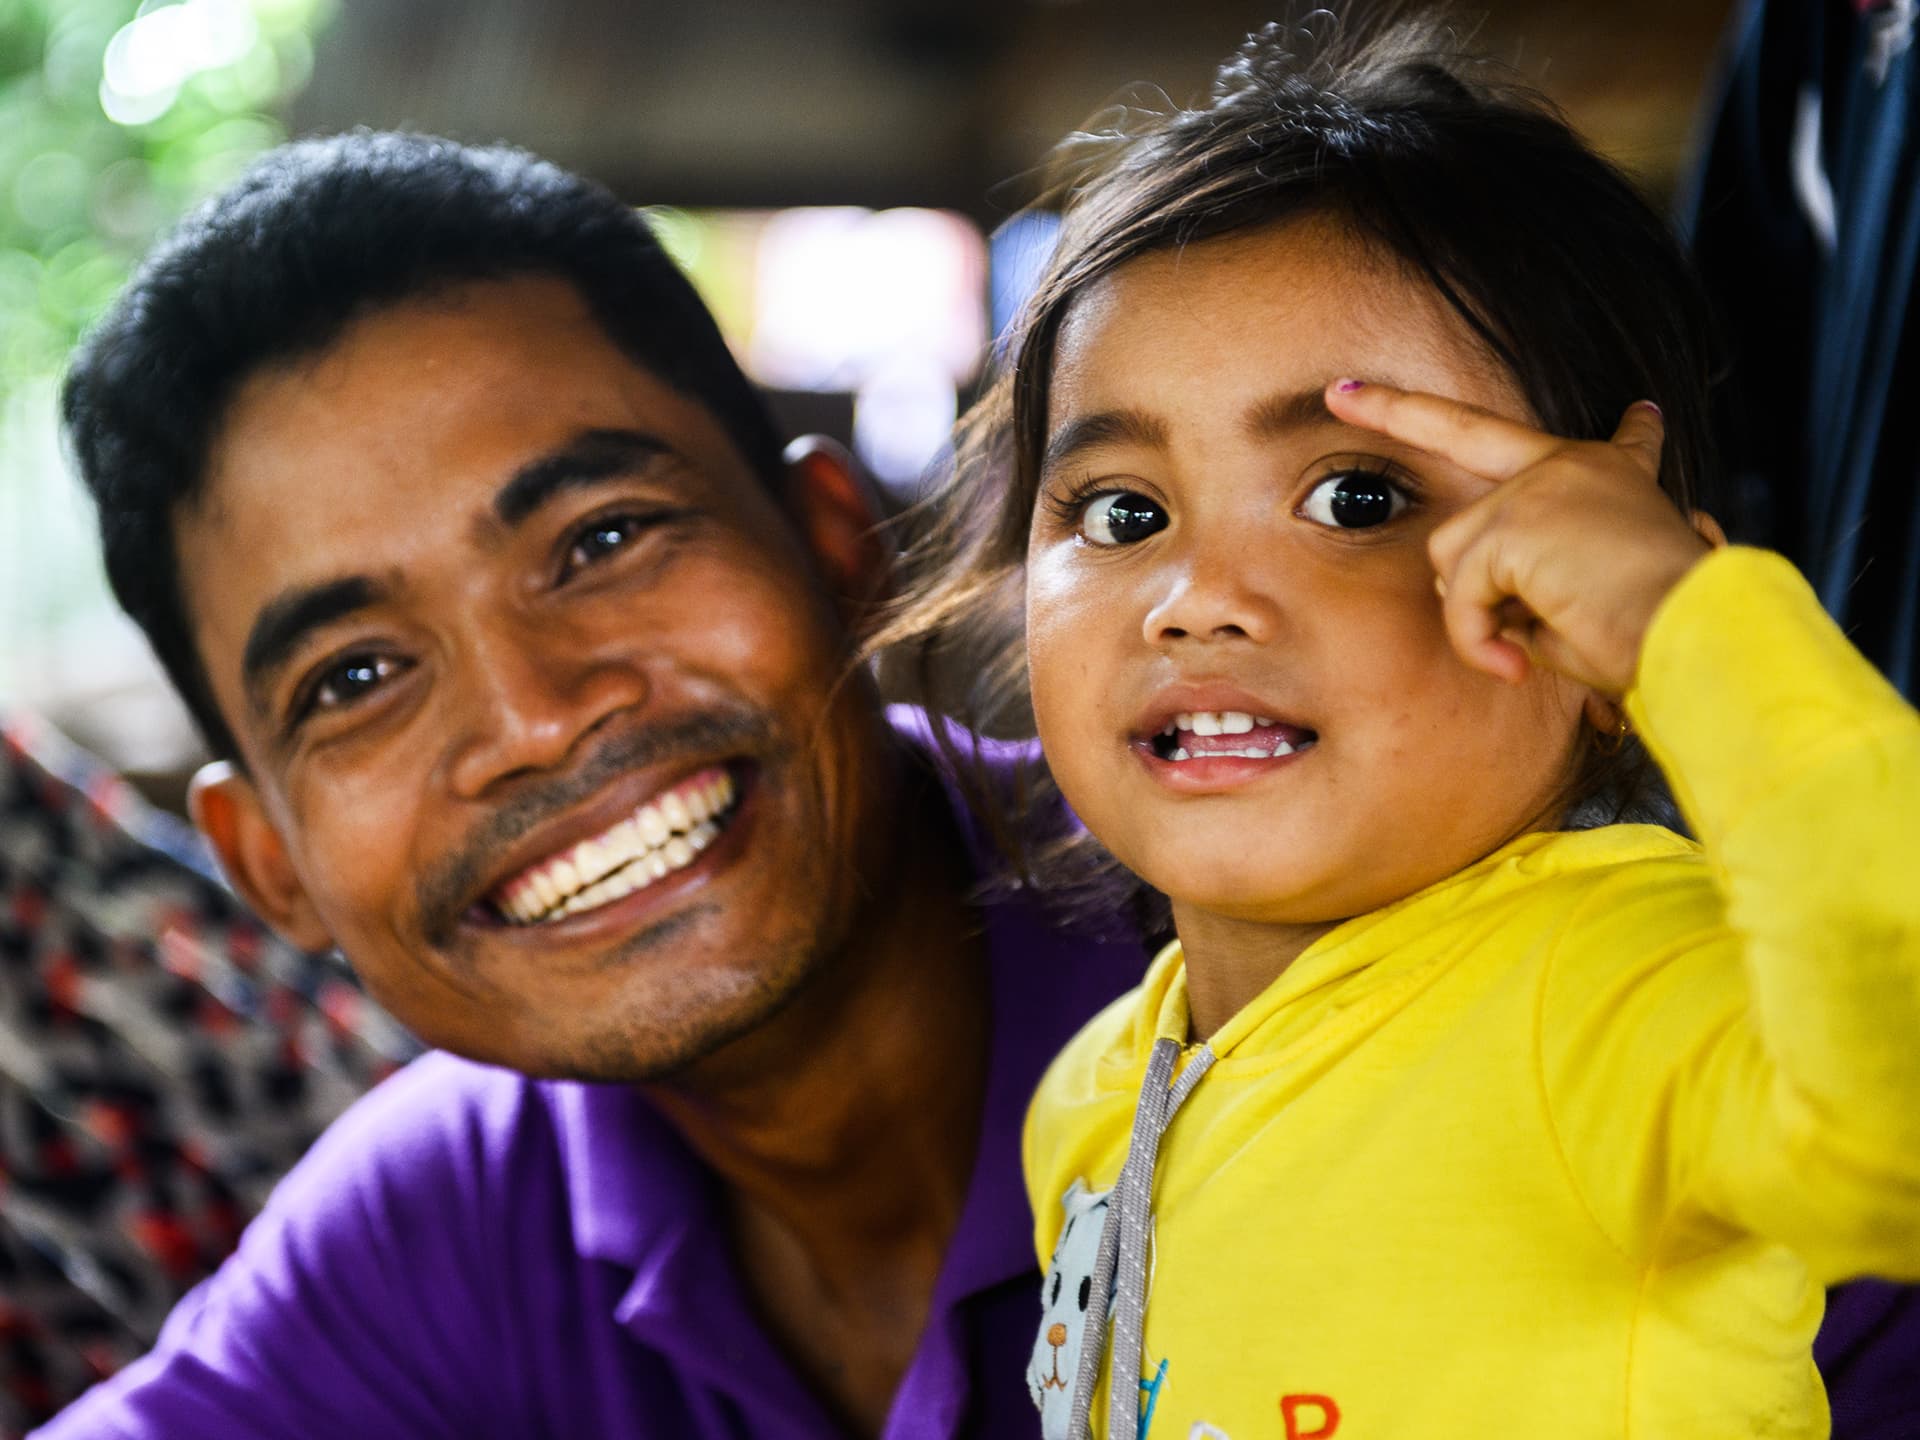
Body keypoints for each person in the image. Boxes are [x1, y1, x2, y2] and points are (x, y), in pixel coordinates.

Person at [883, 11, 1920, 1438]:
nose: (1196, 601)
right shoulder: (1095, 1100)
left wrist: (1704, 637)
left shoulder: (1607, 993)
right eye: (1121, 513)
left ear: (1590, 610)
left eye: (1358, 498)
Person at [34, 131, 1140, 1439]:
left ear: (838, 548)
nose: (535, 719)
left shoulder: (1287, 945)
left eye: (604, 538)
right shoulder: (444, 1221)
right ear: (270, 859)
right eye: (355, 677)